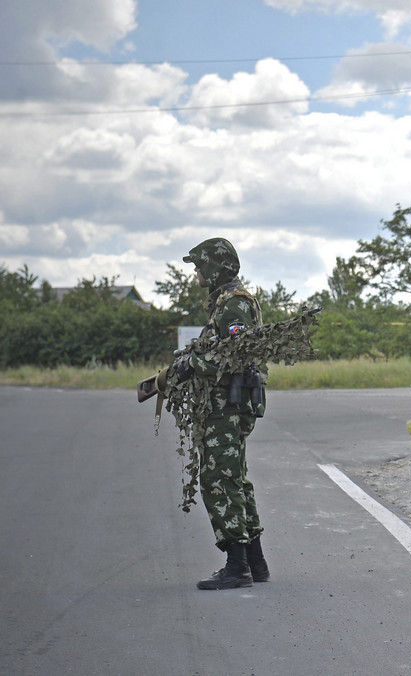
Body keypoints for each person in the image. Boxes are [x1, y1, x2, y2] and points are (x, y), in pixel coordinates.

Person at [177, 237, 271, 590]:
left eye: (200, 265)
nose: (197, 272)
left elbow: (234, 353)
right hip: (227, 405)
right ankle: (254, 562)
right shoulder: (225, 302)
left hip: (227, 406)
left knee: (218, 480)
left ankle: (237, 566)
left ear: (216, 267)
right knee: (233, 479)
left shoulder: (233, 304)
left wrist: (190, 364)